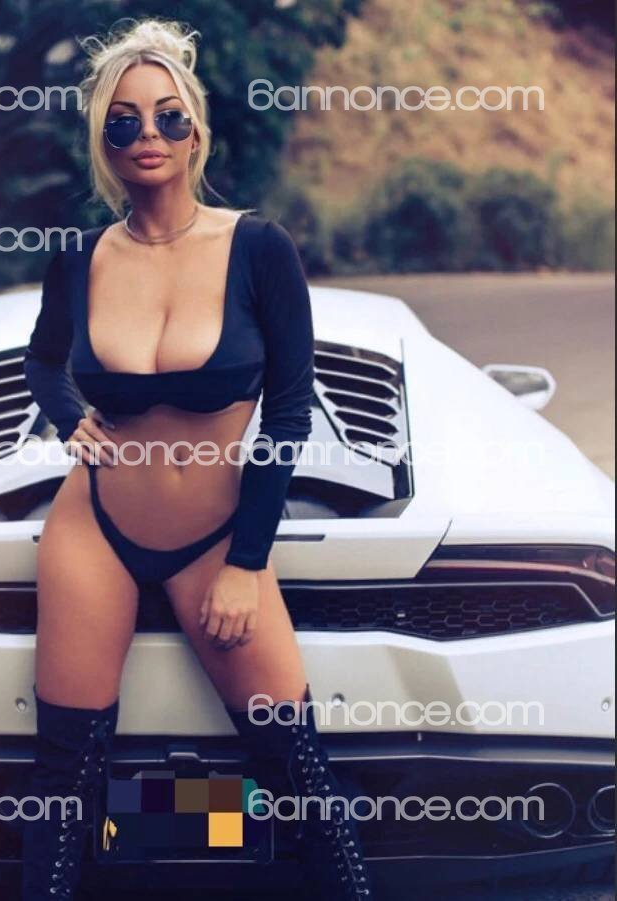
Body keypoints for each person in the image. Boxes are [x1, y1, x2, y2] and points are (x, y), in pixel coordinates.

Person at [19, 17, 374, 900]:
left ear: (196, 130)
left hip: (218, 537)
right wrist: (67, 418)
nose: (149, 134)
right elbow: (42, 359)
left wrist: (247, 561)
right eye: (124, 121)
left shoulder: (258, 248)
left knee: (296, 764)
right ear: (103, 139)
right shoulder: (79, 257)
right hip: (94, 530)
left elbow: (289, 409)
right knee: (65, 774)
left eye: (168, 117)